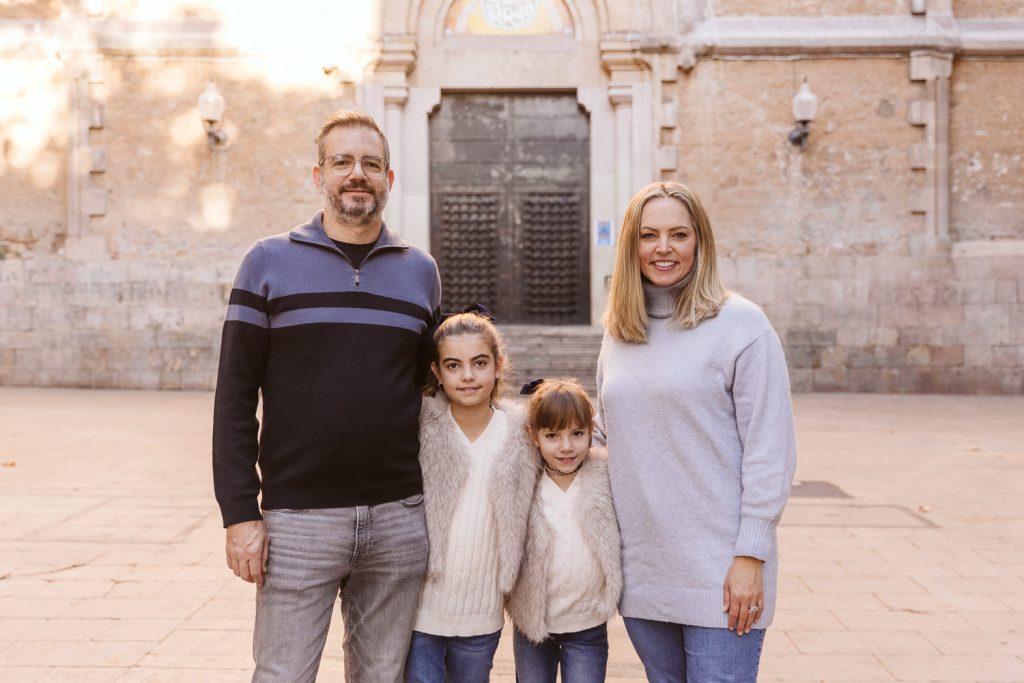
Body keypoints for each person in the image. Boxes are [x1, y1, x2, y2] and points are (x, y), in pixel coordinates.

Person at [212, 109, 441, 682]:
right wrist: (240, 514)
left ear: (389, 180)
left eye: (370, 164)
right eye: (342, 162)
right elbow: (234, 398)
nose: (355, 174)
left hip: (397, 519)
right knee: (283, 674)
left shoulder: (421, 273)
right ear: (319, 175)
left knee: (381, 676)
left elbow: (429, 389)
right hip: (298, 521)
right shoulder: (267, 262)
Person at [596, 181, 797, 682]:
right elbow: (608, 435)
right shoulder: (620, 332)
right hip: (643, 572)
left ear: (699, 243)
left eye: (678, 235)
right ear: (631, 246)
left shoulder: (742, 326)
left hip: (722, 573)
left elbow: (770, 451)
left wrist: (751, 555)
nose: (663, 249)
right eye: (649, 236)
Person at [406, 310, 538, 683]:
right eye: (453, 365)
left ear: (498, 365)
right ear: (437, 371)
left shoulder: (521, 433)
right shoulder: (421, 427)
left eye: (479, 363)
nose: (467, 376)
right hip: (420, 613)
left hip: (482, 614)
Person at [506, 377, 622, 683]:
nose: (567, 447)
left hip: (587, 626)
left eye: (577, 434)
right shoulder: (526, 485)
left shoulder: (605, 478)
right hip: (533, 628)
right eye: (553, 435)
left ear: (591, 430)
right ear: (534, 436)